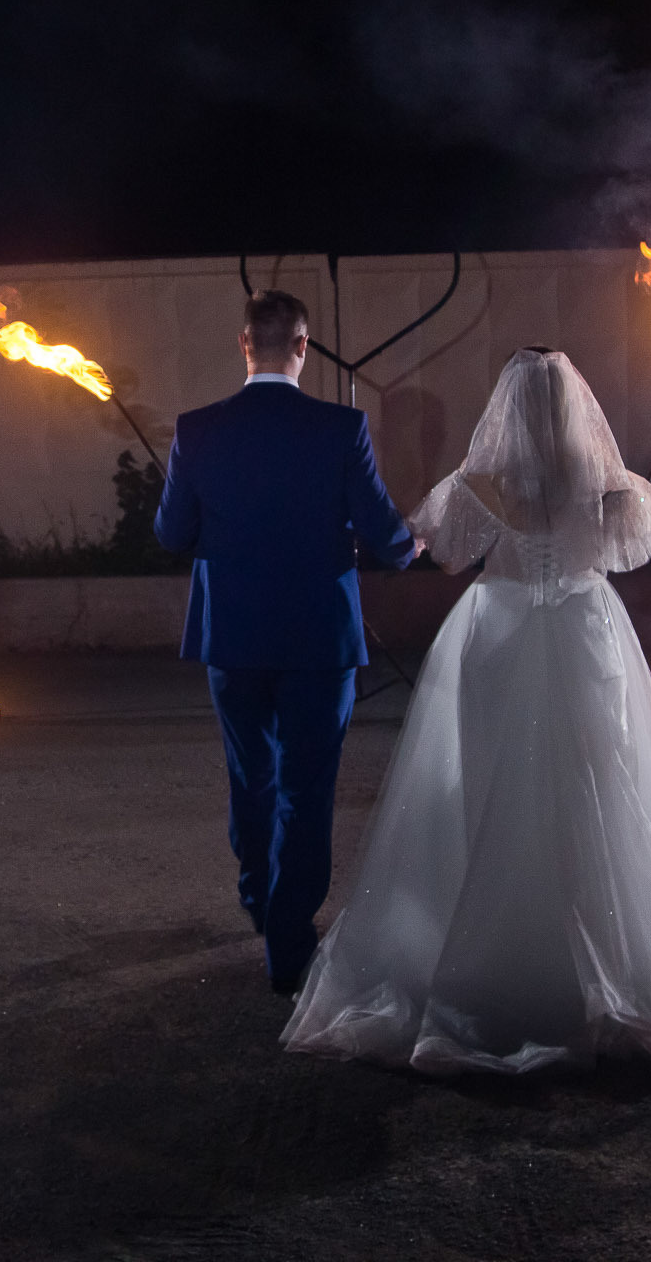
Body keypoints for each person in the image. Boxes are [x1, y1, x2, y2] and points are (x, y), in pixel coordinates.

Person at [282, 346, 651, 1074]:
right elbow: (619, 550)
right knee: (599, 776)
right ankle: (605, 943)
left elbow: (445, 553)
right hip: (584, 629)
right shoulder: (607, 482)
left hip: (501, 630)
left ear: (506, 409)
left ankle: (496, 945)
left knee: (490, 782)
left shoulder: (480, 480)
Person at [154, 290, 416, 994]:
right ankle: (289, 942)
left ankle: (256, 897)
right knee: (307, 788)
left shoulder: (195, 429)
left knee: (252, 776)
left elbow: (170, 535)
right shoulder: (341, 427)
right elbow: (386, 537)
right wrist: (411, 543)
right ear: (303, 346)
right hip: (317, 640)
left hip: (232, 637)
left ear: (245, 345)